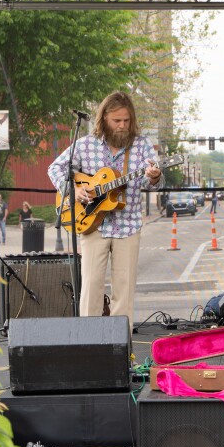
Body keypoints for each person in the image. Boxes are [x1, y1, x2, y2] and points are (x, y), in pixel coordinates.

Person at [48, 91, 163, 323]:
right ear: (104, 120)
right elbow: (55, 169)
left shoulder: (142, 145)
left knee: (124, 289)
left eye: (127, 121)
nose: (122, 126)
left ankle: (122, 347)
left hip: (128, 225)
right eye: (117, 121)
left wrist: (154, 176)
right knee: (90, 286)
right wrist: (73, 189)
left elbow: (151, 182)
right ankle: (89, 345)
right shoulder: (84, 145)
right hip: (92, 225)